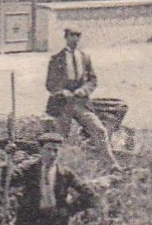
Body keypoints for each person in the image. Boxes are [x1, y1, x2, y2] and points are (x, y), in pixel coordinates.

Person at [45, 27, 119, 167]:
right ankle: (59, 170)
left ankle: (111, 165)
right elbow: (50, 83)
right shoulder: (56, 59)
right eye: (72, 36)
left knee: (99, 131)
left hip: (81, 104)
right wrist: (61, 91)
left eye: (78, 36)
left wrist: (84, 90)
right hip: (62, 105)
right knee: (59, 139)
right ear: (66, 37)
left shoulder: (85, 58)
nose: (75, 39)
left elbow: (93, 80)